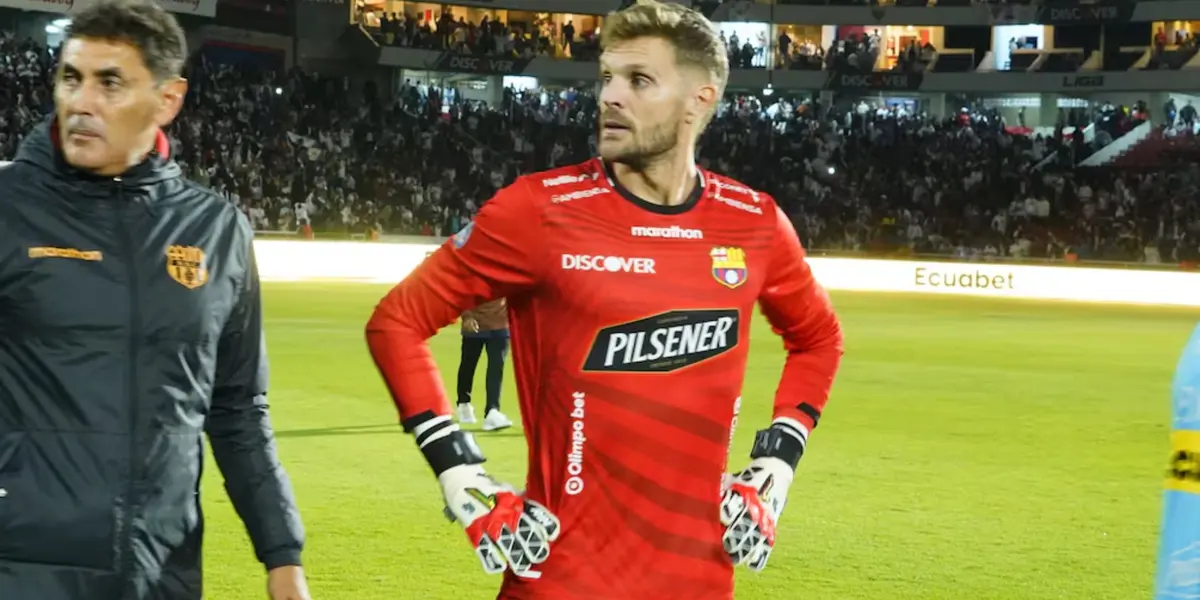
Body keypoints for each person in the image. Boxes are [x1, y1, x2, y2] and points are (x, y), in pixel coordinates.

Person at [365, 1, 843, 598]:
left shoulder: (755, 222)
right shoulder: (537, 210)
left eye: (638, 80)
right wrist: (456, 465)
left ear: (700, 99)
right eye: (607, 78)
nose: (610, 97)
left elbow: (819, 338)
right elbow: (397, 321)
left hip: (699, 582)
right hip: (559, 579)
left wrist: (778, 457)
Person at [0, 2, 310, 599]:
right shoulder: (8, 207)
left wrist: (282, 555)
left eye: (109, 83)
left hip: (161, 573)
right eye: (71, 78)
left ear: (168, 100)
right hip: (22, 571)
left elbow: (238, 408)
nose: (81, 102)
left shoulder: (215, 230)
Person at [456, 297, 515, 431]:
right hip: (474, 324)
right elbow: (462, 294)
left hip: (500, 325)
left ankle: (492, 411)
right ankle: (464, 403)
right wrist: (467, 316)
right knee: (468, 365)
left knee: (496, 368)